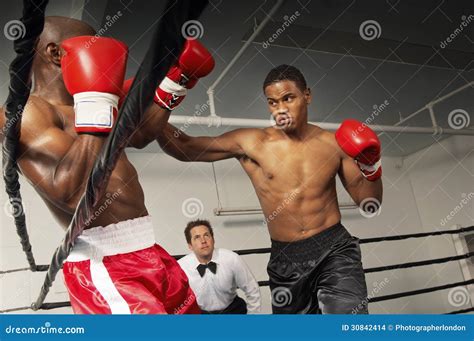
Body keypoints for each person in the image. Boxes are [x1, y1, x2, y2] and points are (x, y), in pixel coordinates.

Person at [0, 16, 215, 314]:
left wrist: (175, 81)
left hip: (147, 246)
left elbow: (140, 136)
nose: (102, 56)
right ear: (56, 53)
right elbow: (71, 193)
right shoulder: (29, 112)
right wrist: (96, 102)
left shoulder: (89, 103)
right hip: (106, 264)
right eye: (91, 46)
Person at [156, 64, 383, 314]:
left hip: (335, 249)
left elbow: (369, 202)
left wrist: (371, 166)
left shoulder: (335, 144)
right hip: (286, 258)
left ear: (307, 95)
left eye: (288, 98)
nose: (281, 109)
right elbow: (186, 148)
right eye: (273, 102)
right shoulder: (253, 142)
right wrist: (157, 104)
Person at [178, 219, 261, 314]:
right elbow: (174, 301)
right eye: (197, 237)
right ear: (190, 246)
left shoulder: (231, 258)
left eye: (206, 235)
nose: (203, 241)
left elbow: (252, 289)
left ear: (213, 239)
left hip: (233, 311)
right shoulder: (180, 268)